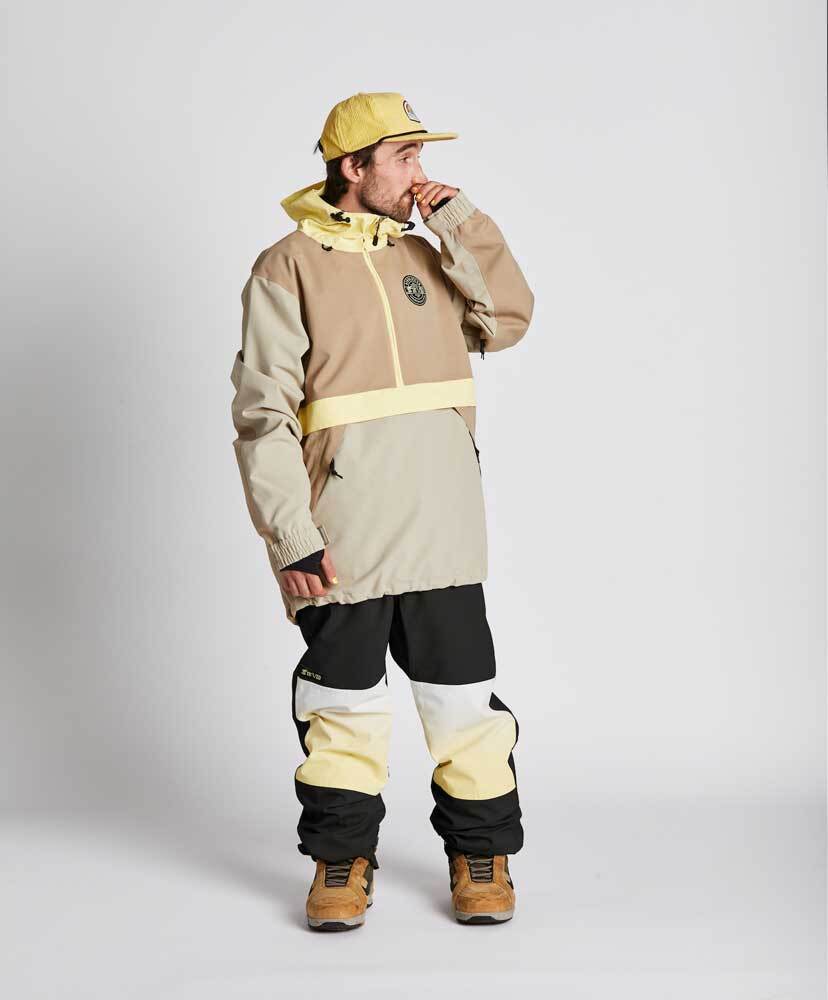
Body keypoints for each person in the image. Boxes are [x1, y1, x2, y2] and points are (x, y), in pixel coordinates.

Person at [229, 92, 535, 930]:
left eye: (420, 155)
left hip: (443, 528)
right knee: (343, 711)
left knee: (465, 707)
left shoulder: (427, 253)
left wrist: (460, 224)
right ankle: (340, 861)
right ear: (353, 166)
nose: (420, 172)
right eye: (405, 156)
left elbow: (507, 320)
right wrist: (293, 536)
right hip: (343, 536)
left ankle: (482, 856)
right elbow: (262, 415)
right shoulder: (287, 265)